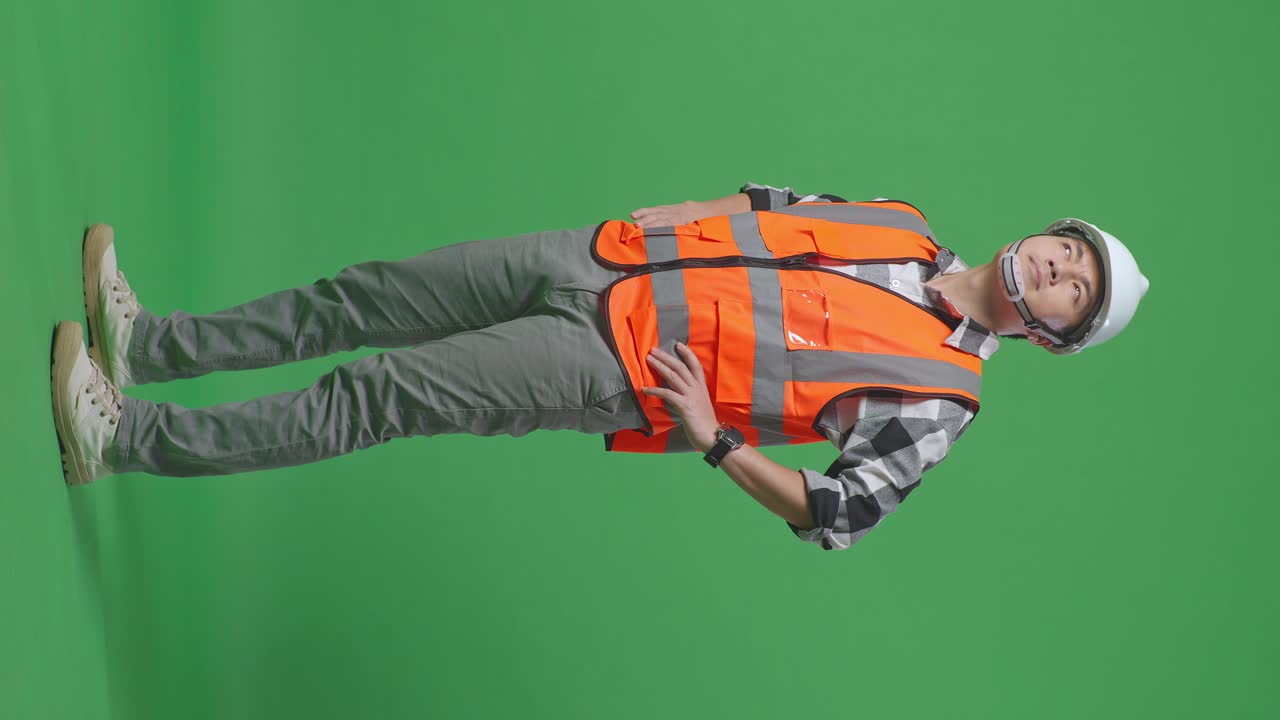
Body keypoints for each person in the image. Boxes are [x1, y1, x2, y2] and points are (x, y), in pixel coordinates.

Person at [49, 182, 1149, 551]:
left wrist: (713, 440)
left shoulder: (941, 399)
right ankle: (151, 344)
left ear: (1050, 334)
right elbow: (774, 210)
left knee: (374, 394)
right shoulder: (904, 227)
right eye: (1067, 250)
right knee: (368, 292)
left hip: (610, 361)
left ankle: (125, 437)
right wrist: (674, 215)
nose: (1055, 267)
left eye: (1071, 290)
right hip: (603, 258)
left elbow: (839, 512)